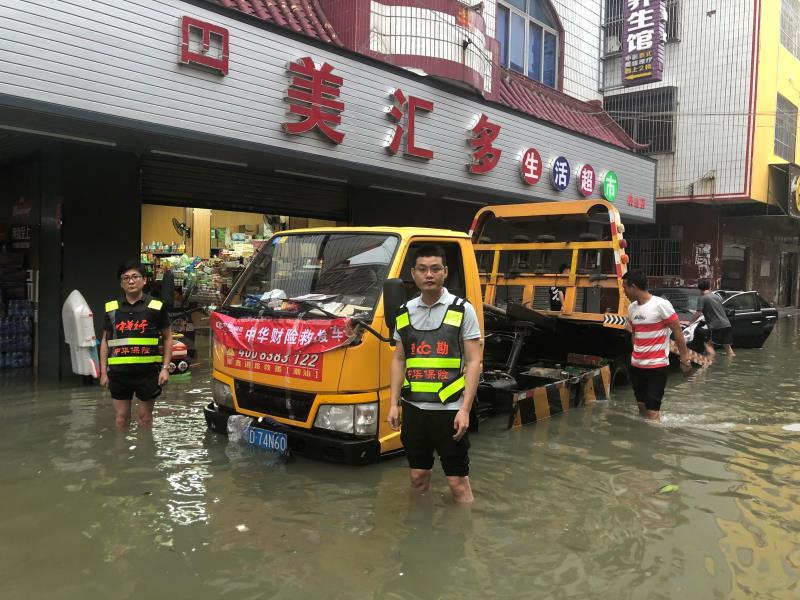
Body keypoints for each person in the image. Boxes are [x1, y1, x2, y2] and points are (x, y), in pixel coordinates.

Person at [387, 245, 482, 504]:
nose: (429, 274)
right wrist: (393, 404)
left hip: (450, 410)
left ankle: (463, 537)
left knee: (457, 482)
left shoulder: (463, 310)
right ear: (413, 274)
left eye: (435, 268)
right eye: (422, 269)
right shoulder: (403, 312)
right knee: (417, 476)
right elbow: (399, 358)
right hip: (414, 410)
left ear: (445, 272)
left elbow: (475, 361)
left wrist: (465, 409)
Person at [100, 261, 172, 428]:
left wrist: (165, 368)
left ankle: (145, 452)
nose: (130, 281)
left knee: (145, 418)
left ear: (144, 280)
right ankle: (121, 453)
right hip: (119, 373)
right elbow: (105, 340)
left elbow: (168, 337)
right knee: (121, 418)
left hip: (148, 373)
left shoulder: (156, 306)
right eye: (125, 278)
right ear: (121, 283)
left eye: (135, 277)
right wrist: (103, 372)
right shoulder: (111, 308)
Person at [622, 270, 692, 421]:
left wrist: (685, 359)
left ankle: (654, 441)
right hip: (637, 366)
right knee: (641, 408)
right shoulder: (632, 308)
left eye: (625, 288)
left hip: (656, 367)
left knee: (653, 413)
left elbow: (677, 331)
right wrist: (635, 352)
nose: (624, 292)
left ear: (633, 287)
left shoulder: (661, 305)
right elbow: (634, 332)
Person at [689, 280, 735, 357]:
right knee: (727, 347)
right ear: (709, 288)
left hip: (716, 326)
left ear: (699, 289)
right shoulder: (717, 297)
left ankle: (708, 366)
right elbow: (715, 310)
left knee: (708, 345)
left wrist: (690, 322)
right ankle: (730, 364)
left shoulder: (702, 298)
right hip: (727, 324)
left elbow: (699, 313)